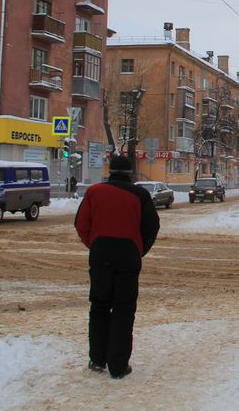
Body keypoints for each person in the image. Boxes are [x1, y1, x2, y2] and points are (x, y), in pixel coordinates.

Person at [74, 155, 160, 380]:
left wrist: (94, 244)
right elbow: (152, 227)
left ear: (109, 171)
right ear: (130, 172)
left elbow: (81, 223)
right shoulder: (140, 195)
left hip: (100, 253)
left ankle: (97, 359)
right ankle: (118, 366)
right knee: (123, 309)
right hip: (128, 256)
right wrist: (138, 249)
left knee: (99, 305)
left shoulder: (94, 192)